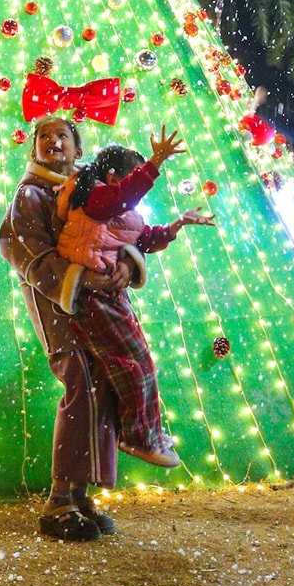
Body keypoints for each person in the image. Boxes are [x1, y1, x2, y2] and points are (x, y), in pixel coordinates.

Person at [55, 134, 216, 469]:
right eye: (133, 175)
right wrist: (155, 162)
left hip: (111, 295)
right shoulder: (94, 197)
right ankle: (138, 438)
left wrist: (177, 225)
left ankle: (148, 433)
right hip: (92, 296)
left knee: (141, 362)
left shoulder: (118, 210)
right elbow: (125, 195)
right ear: (115, 176)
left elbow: (145, 237)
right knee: (133, 366)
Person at [0, 116, 125, 541]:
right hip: (60, 309)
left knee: (103, 387)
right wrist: (77, 278)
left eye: (63, 136)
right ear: (33, 148)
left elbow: (125, 229)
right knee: (80, 384)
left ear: (78, 148)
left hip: (103, 309)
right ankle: (58, 500)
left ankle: (80, 490)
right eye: (44, 136)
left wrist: (126, 264)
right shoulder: (29, 195)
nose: (53, 141)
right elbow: (26, 251)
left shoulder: (93, 192)